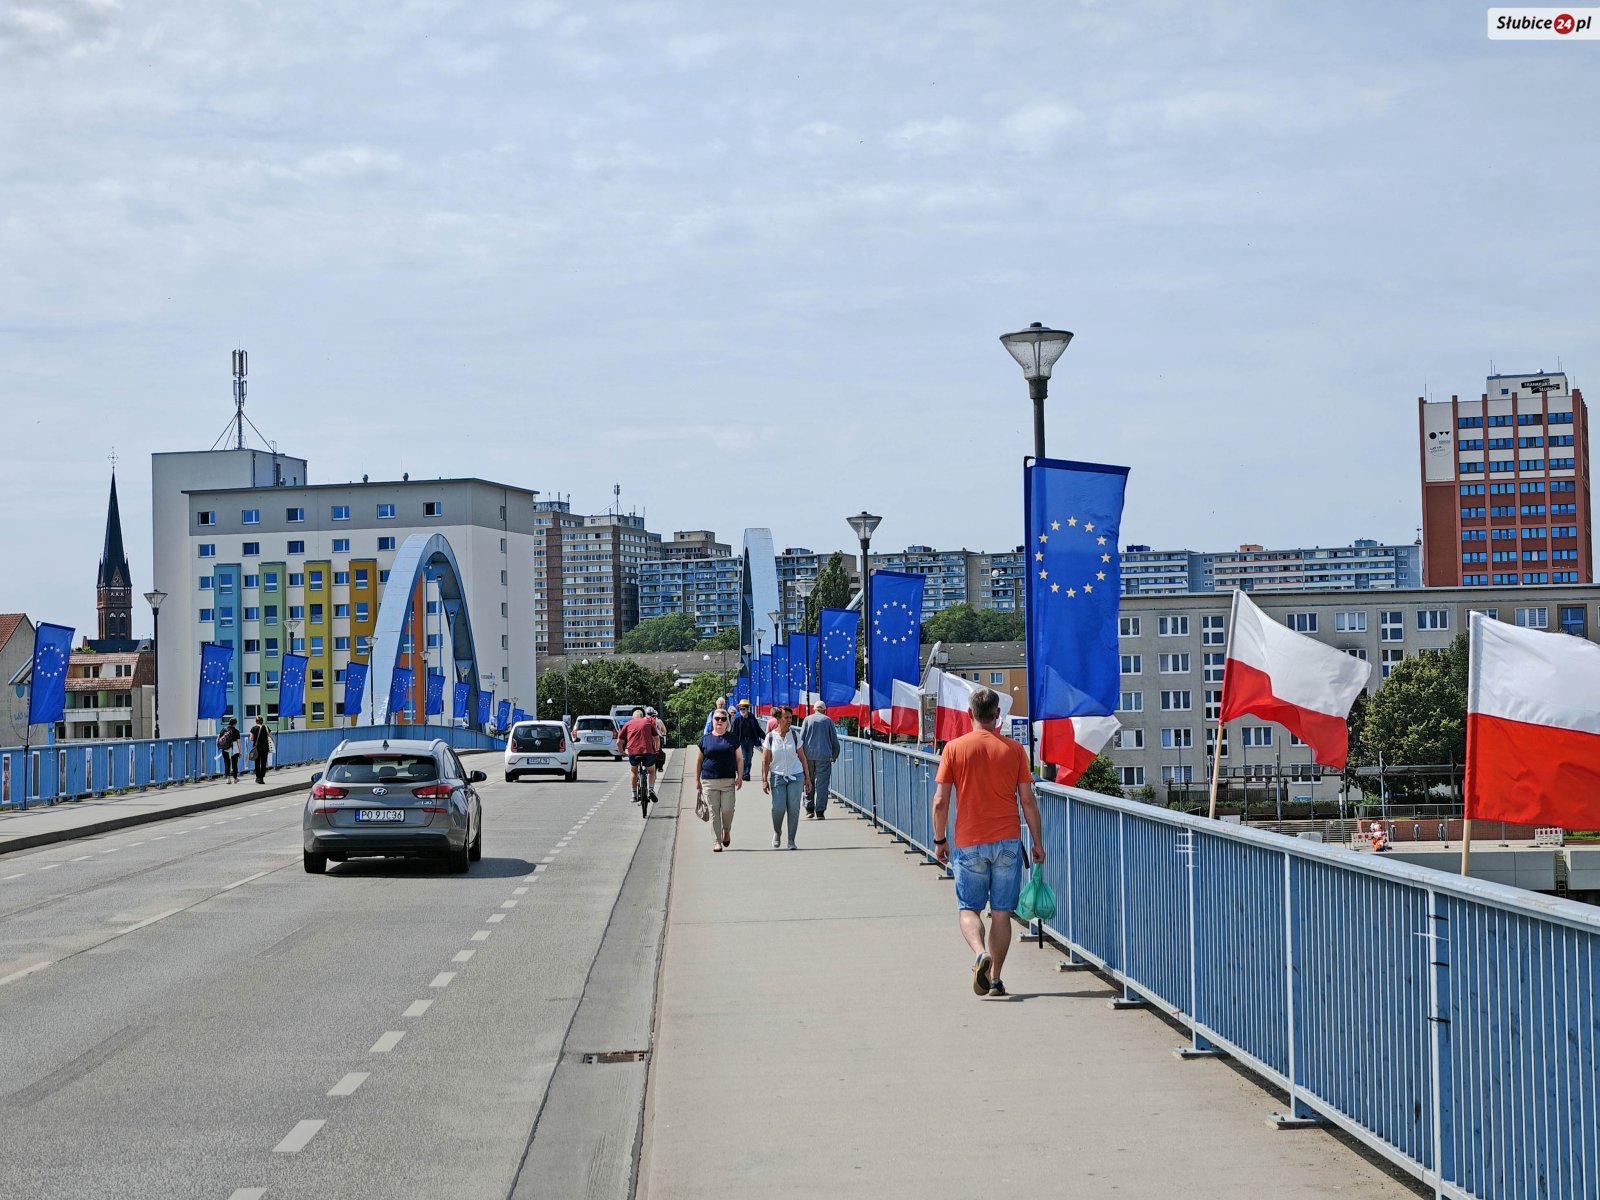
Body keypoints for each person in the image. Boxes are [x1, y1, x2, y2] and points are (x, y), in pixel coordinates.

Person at [931, 687, 1044, 1000]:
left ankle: (980, 952)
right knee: (1002, 913)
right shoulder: (1014, 750)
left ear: (970, 714)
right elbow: (1027, 800)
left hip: (969, 841)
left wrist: (940, 839)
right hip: (1007, 839)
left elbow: (940, 801)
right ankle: (995, 980)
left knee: (969, 908)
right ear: (998, 716)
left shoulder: (954, 749)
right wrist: (1037, 842)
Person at [761, 705, 810, 850]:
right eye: (786, 717)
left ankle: (791, 840)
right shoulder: (770, 737)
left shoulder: (794, 735)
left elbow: (802, 758)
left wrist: (807, 778)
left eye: (790, 717)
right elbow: (765, 761)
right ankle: (777, 831)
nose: (789, 720)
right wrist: (764, 780)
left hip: (796, 775)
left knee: (794, 809)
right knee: (778, 808)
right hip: (777, 776)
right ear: (778, 719)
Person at [694, 708, 743, 851]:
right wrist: (697, 780)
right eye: (717, 719)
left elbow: (739, 759)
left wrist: (740, 776)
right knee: (714, 813)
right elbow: (698, 761)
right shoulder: (705, 740)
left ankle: (726, 830)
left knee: (728, 810)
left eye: (723, 719)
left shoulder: (733, 739)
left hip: (728, 781)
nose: (720, 721)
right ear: (712, 721)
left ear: (727, 722)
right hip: (709, 781)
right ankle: (717, 841)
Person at [800, 700, 840, 819]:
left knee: (808, 781)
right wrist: (834, 755)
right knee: (822, 784)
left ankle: (809, 809)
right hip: (824, 757)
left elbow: (801, 739)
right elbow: (835, 741)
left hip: (808, 756)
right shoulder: (828, 721)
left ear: (814, 709)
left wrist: (800, 757)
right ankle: (820, 811)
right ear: (824, 710)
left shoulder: (807, 720)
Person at [616, 706, 661, 802]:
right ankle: (651, 789)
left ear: (633, 717)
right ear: (642, 716)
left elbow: (619, 742)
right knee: (651, 771)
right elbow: (657, 738)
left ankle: (634, 794)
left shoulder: (627, 724)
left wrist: (622, 752)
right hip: (648, 751)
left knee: (634, 771)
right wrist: (657, 750)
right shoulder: (648, 723)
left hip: (633, 752)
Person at [728, 698, 764, 782]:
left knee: (749, 758)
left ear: (747, 709)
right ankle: (744, 773)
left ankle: (747, 773)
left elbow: (758, 729)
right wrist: (731, 742)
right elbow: (733, 731)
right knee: (743, 757)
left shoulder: (752, 718)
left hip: (750, 741)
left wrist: (766, 737)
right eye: (741, 709)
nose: (742, 710)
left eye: (744, 708)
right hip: (741, 741)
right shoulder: (737, 718)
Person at [246, 716, 274, 785]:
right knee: (263, 763)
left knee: (257, 763)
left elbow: (251, 739)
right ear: (262, 721)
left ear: (256, 721)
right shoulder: (266, 728)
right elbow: (271, 737)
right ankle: (262, 777)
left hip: (257, 749)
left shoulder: (253, 728)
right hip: (265, 748)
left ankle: (258, 777)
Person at [217, 717, 241, 784]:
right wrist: (240, 751)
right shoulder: (236, 731)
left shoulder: (224, 729)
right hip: (234, 748)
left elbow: (219, 738)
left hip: (225, 748)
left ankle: (228, 779)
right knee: (234, 763)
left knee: (227, 763)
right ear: (235, 723)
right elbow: (238, 742)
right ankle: (235, 778)